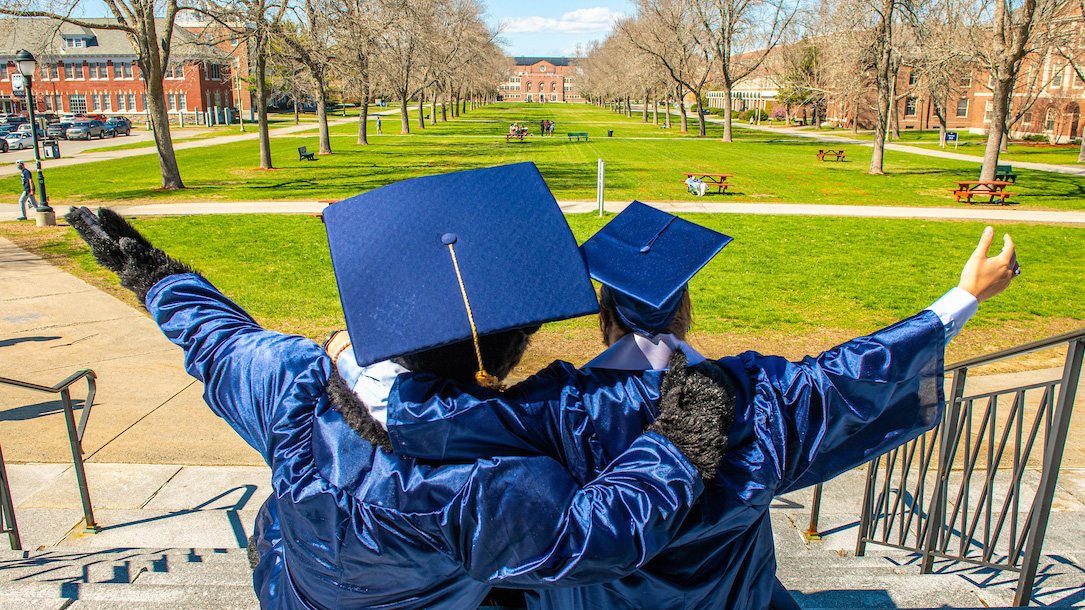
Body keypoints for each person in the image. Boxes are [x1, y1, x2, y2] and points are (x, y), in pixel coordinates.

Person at [65, 166, 727, 609]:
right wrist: (682, 444)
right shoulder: (488, 472)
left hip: (299, 591)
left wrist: (153, 274)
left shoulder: (294, 384)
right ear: (510, 347)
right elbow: (596, 536)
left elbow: (218, 339)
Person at [375, 201, 1020, 610]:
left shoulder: (548, 410)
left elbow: (438, 432)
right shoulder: (749, 397)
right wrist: (961, 300)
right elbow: (853, 376)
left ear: (604, 315)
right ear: (686, 310)